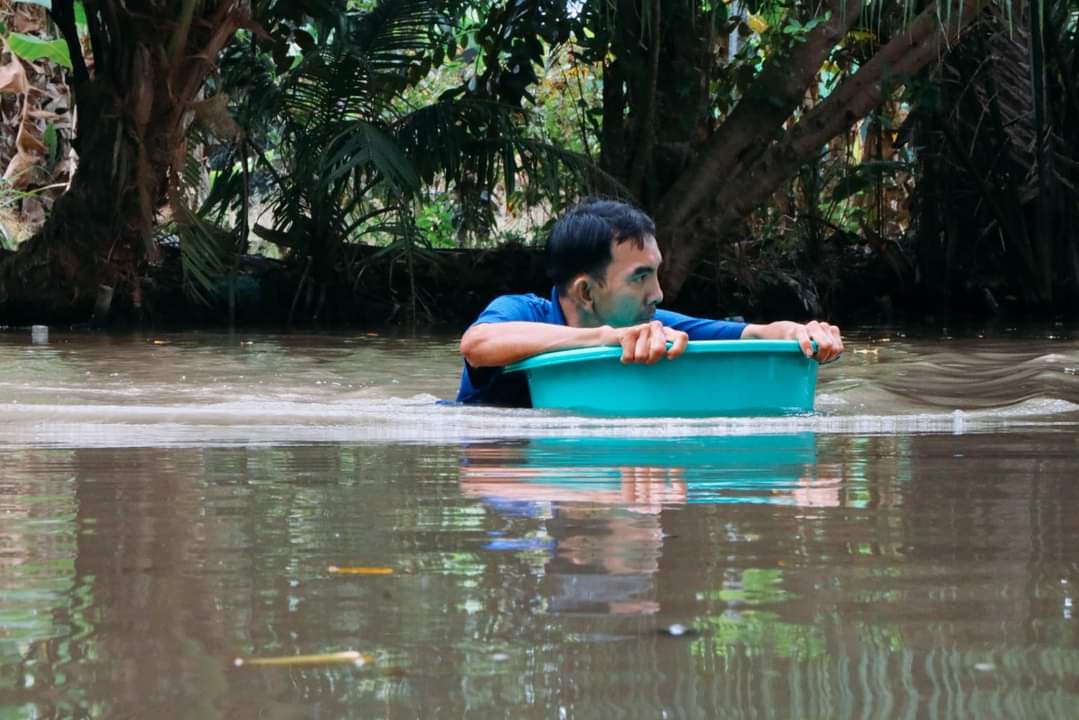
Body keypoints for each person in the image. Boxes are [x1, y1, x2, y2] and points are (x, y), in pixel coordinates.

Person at [457, 199, 843, 406]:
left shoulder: (655, 323)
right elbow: (476, 346)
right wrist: (606, 338)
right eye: (640, 277)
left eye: (656, 273)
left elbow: (758, 335)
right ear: (586, 292)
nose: (658, 293)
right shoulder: (523, 313)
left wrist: (804, 333)